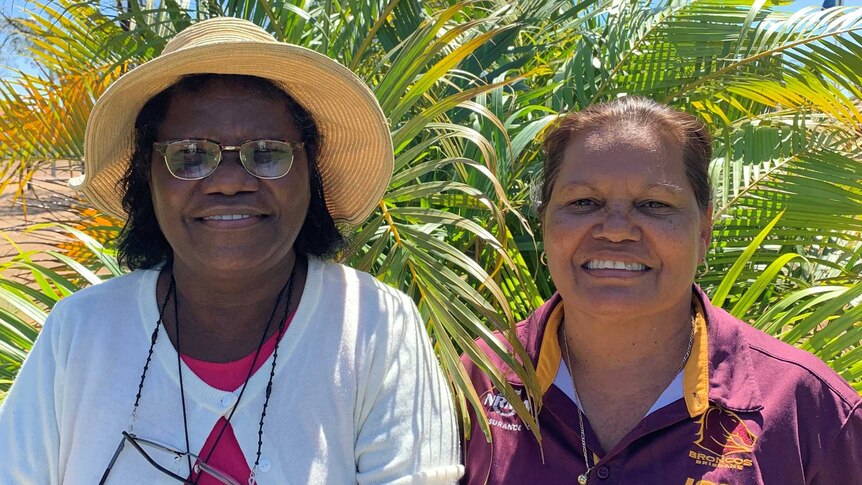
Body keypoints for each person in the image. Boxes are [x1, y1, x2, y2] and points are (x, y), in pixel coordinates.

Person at [0, 17, 462, 484]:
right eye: (190, 155)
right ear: (148, 177)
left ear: (311, 172)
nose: (228, 182)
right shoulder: (78, 334)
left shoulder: (375, 326)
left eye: (266, 151)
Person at [460, 97, 861, 484]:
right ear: (544, 222)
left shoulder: (805, 407)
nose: (615, 230)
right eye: (583, 202)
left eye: (654, 205)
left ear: (704, 230)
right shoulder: (475, 381)